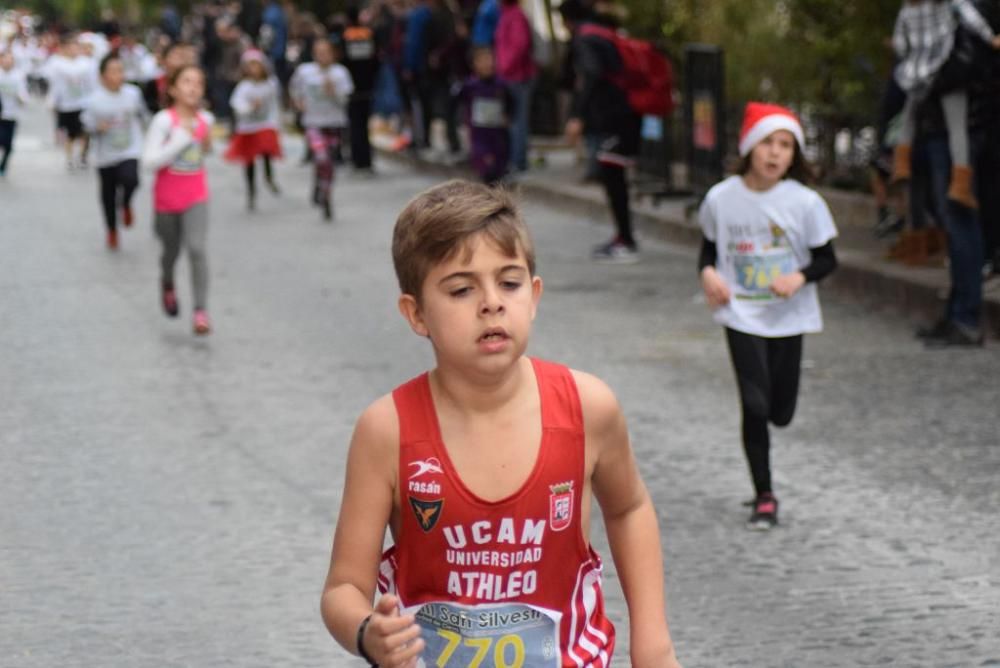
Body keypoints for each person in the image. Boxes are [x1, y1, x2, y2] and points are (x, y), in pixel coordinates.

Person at [319, 180, 682, 667]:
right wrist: (368, 632)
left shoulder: (587, 408)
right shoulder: (388, 431)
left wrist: (653, 644)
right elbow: (344, 586)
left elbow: (629, 508)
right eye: (462, 289)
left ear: (533, 296)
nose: (491, 303)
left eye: (508, 283)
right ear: (417, 313)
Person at [698, 103, 839, 530]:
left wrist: (798, 277)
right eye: (767, 143)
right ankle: (764, 494)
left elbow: (827, 260)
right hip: (740, 312)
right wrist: (708, 274)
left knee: (781, 411)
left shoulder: (805, 202)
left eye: (785, 145)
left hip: (788, 317)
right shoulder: (721, 199)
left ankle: (765, 478)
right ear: (748, 148)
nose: (775, 154)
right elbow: (707, 249)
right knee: (755, 404)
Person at [889, 0, 1000, 208]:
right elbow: (972, 20)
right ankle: (960, 185)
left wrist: (913, 57)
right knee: (957, 129)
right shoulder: (948, 3)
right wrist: (991, 39)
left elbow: (900, 44)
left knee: (909, 119)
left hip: (916, 74)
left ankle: (901, 165)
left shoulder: (908, 8)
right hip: (945, 71)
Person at [559, 0, 642, 263]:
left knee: (613, 177)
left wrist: (577, 116)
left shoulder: (585, 39)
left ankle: (625, 240)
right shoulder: (601, 33)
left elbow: (592, 74)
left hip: (615, 117)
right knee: (614, 175)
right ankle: (623, 237)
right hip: (624, 114)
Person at [141, 65, 215, 336]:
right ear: (172, 89)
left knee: (197, 248)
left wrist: (203, 142)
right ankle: (167, 282)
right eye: (186, 81)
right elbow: (149, 162)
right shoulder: (163, 121)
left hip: (196, 196)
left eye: (198, 83)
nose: (193, 87)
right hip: (166, 201)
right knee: (170, 252)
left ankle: (200, 311)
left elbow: (204, 153)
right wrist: (181, 138)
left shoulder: (206, 119)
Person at [81, 52, 148, 249]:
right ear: (102, 76)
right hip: (105, 156)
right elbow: (86, 125)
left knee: (131, 180)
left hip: (130, 149)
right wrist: (96, 128)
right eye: (113, 71)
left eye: (121, 70)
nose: (119, 75)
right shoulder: (93, 100)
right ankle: (111, 229)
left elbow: (143, 115)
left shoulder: (133, 94)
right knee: (108, 196)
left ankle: (126, 203)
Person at [290, 38, 354, 221]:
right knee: (321, 157)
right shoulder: (305, 71)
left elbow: (345, 100)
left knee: (329, 163)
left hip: (334, 123)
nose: (322, 56)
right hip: (313, 123)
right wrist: (298, 102)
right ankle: (319, 185)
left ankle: (326, 193)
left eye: (326, 52)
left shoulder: (340, 73)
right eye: (319, 52)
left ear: (333, 54)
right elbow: (294, 89)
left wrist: (333, 91)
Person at [224, 48, 282, 212]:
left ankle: (269, 177)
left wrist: (275, 123)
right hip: (248, 127)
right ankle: (251, 191)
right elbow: (237, 105)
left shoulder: (271, 84)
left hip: (265, 124)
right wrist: (250, 107)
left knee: (266, 152)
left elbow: (274, 105)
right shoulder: (243, 87)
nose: (254, 69)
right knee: (248, 161)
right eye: (250, 66)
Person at [454, 46, 512, 183]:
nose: (488, 64)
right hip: (479, 132)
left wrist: (508, 116)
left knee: (499, 164)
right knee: (484, 164)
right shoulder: (470, 85)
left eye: (490, 59)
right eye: (482, 61)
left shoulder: (501, 84)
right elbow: (456, 99)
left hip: (498, 132)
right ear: (474, 64)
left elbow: (510, 102)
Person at [495, 0, 536, 173]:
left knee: (518, 120)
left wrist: (505, 66)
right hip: (510, 75)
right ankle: (513, 158)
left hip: (518, 76)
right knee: (512, 119)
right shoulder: (506, 15)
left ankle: (518, 161)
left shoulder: (515, 16)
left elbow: (520, 45)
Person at [46, 36, 97, 169]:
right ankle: (69, 158)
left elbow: (92, 83)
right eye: (71, 48)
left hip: (83, 104)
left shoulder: (87, 63)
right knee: (70, 134)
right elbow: (54, 84)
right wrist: (52, 101)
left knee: (85, 132)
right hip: (66, 105)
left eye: (76, 47)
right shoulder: (58, 63)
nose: (74, 50)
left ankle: (83, 155)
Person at [342, 5, 378, 172]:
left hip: (351, 87)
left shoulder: (346, 36)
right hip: (367, 86)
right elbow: (375, 59)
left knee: (355, 124)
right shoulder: (368, 34)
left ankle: (357, 159)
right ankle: (367, 159)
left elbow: (343, 61)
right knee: (364, 124)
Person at [0, 50, 29, 177]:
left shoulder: (18, 76)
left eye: (10, 59)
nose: (7, 62)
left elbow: (24, 96)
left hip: (12, 115)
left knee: (8, 144)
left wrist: (20, 97)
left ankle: (4, 165)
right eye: (5, 59)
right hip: (0, 114)